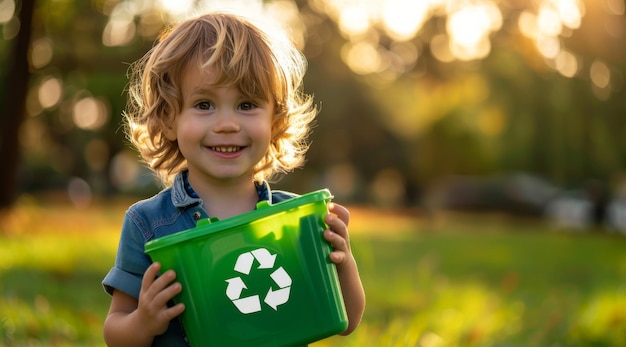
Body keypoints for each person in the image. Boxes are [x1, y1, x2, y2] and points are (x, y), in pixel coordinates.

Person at [102, 11, 365, 347]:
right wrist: (142, 322)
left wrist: (343, 264)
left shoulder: (293, 223)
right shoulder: (148, 224)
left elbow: (346, 320)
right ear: (170, 119)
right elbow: (115, 330)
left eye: (246, 104)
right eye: (204, 104)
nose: (227, 123)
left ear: (275, 121)